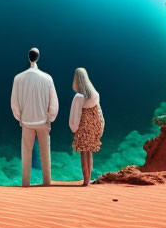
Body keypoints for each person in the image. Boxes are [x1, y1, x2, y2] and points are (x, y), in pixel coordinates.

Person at [11, 47, 59, 187]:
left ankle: (25, 183)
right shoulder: (47, 78)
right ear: (38, 58)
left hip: (26, 122)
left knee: (26, 153)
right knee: (45, 152)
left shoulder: (18, 78)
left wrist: (20, 118)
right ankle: (46, 182)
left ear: (28, 57)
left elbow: (14, 102)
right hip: (43, 122)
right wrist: (50, 118)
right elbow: (53, 102)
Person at [68, 67, 104, 186]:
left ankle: (86, 181)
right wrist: (100, 127)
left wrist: (73, 128)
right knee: (90, 152)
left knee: (83, 153)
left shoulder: (79, 97)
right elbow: (99, 113)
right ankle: (89, 180)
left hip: (83, 127)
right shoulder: (95, 94)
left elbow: (75, 114)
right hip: (94, 126)